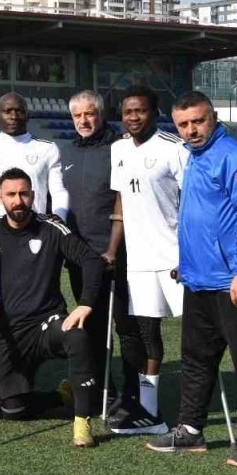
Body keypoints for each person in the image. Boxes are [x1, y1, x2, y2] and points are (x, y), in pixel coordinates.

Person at [147, 91, 237, 470]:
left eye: (198, 121)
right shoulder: (194, 158)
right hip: (199, 281)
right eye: (183, 125)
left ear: (213, 117)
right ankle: (190, 429)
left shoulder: (234, 156)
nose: (192, 130)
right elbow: (201, 220)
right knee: (195, 361)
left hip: (234, 283)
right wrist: (186, 264)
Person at [0, 167, 103, 448]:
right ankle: (61, 396)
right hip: (10, 333)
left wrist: (84, 304)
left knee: (77, 335)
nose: (18, 200)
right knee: (13, 410)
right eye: (11, 194)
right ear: (0, 197)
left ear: (34, 195)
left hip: (47, 323)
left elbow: (91, 260)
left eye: (24, 193)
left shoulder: (51, 227)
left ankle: (82, 421)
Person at [62, 90, 152, 434]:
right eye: (78, 116)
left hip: (118, 256)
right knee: (92, 330)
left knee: (128, 330)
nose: (84, 121)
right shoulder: (65, 152)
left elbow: (123, 201)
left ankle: (132, 397)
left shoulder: (119, 148)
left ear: (101, 115)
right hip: (81, 261)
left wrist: (114, 249)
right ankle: (105, 392)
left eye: (90, 114)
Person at [109, 85, 189, 435]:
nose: (133, 117)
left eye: (139, 110)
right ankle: (150, 412)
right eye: (128, 111)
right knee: (147, 333)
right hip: (138, 261)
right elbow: (121, 203)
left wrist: (190, 254)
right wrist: (113, 249)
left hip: (175, 259)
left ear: (154, 112)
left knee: (198, 334)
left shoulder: (175, 149)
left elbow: (191, 203)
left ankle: (194, 407)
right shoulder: (118, 149)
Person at [0, 92, 68, 219]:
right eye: (7, 111)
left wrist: (60, 217)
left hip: (37, 227)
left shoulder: (47, 148)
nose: (13, 116)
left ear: (27, 116)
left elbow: (58, 190)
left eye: (19, 111)